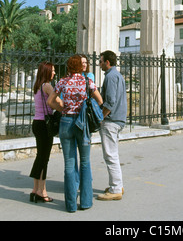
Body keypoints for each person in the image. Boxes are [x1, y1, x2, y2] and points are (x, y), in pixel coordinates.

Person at [47, 54, 103, 212]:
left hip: (65, 122)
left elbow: (50, 101)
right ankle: (86, 202)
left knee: (69, 165)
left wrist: (63, 109)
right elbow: (100, 100)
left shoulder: (62, 81)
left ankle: (70, 205)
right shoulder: (87, 81)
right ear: (80, 66)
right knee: (85, 163)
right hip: (82, 123)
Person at [97, 50, 127, 201]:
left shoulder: (110, 77)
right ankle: (118, 185)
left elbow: (110, 101)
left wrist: (100, 117)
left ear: (107, 62)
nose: (99, 64)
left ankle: (115, 188)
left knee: (110, 155)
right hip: (119, 119)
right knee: (113, 153)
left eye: (101, 61)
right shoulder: (118, 76)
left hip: (111, 121)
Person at [29, 61, 61, 203]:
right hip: (45, 125)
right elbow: (58, 101)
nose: (54, 73)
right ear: (47, 72)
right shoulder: (47, 86)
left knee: (40, 156)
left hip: (37, 122)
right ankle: (42, 191)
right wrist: (61, 108)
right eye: (52, 70)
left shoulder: (37, 86)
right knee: (44, 158)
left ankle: (36, 190)